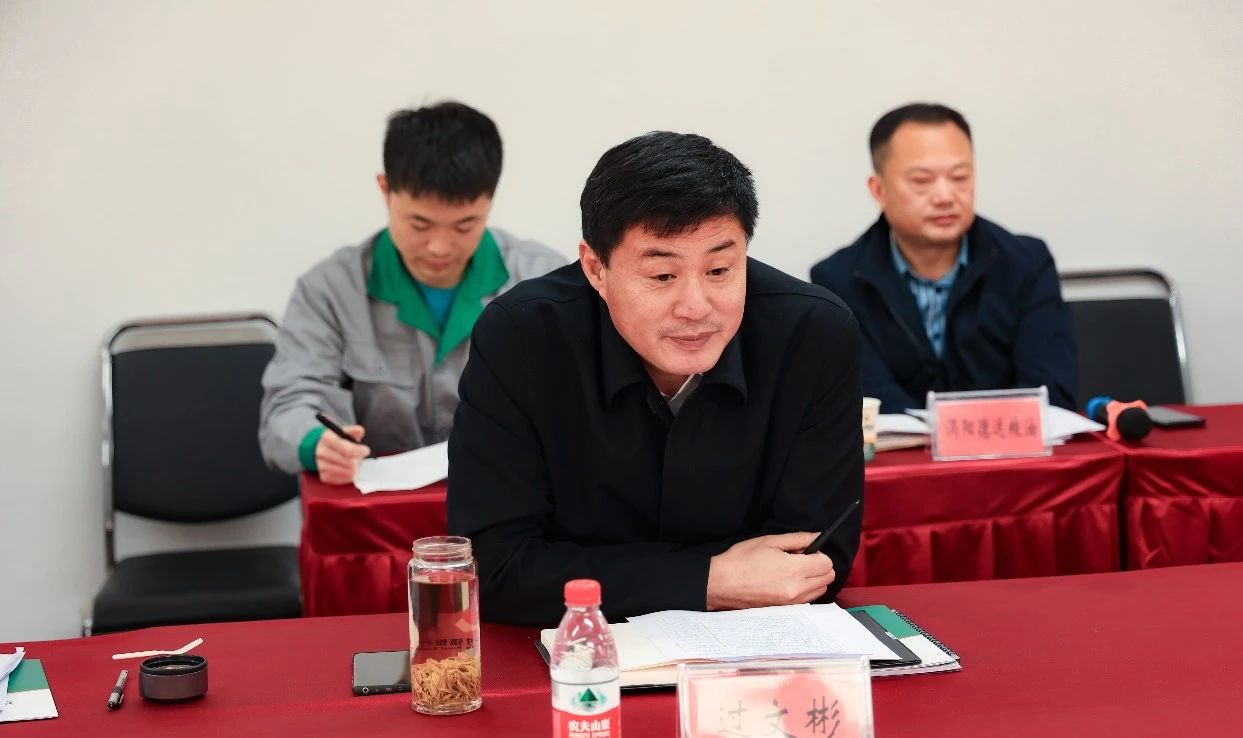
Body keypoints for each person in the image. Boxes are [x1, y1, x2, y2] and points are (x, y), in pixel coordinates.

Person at [447, 131, 863, 626]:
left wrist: (602, 575)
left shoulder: (814, 335)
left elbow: (812, 562)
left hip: (757, 650)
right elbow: (495, 566)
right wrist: (709, 580)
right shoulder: (522, 337)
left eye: (720, 270)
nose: (696, 307)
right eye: (663, 276)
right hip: (575, 652)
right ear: (595, 269)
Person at [259, 101, 565, 483]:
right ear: (385, 189)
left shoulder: (544, 282)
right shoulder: (329, 290)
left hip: (511, 499)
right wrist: (316, 442)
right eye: (420, 224)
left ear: (490, 200)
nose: (439, 247)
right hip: (379, 509)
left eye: (465, 225)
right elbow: (288, 405)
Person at [811, 103, 1077, 414]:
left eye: (959, 177)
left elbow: (1051, 391)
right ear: (878, 190)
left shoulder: (1026, 265)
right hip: (900, 446)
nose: (945, 196)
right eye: (922, 181)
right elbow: (866, 398)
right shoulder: (838, 281)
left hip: (1008, 443)